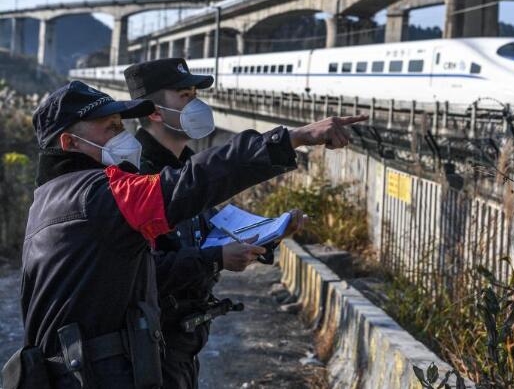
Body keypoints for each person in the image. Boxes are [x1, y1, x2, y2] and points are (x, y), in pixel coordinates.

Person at [4, 79, 365, 389]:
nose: (123, 136)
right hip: (93, 376)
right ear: (69, 144)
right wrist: (290, 139)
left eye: (121, 124)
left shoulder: (53, 197)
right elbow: (191, 183)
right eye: (110, 128)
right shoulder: (99, 194)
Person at [122, 58, 303, 389]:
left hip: (183, 341)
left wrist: (269, 233)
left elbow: (207, 234)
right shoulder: (134, 177)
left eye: (196, 93)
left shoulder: (189, 166)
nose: (197, 103)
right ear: (153, 112)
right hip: (147, 345)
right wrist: (216, 259)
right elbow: (139, 273)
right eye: (185, 95)